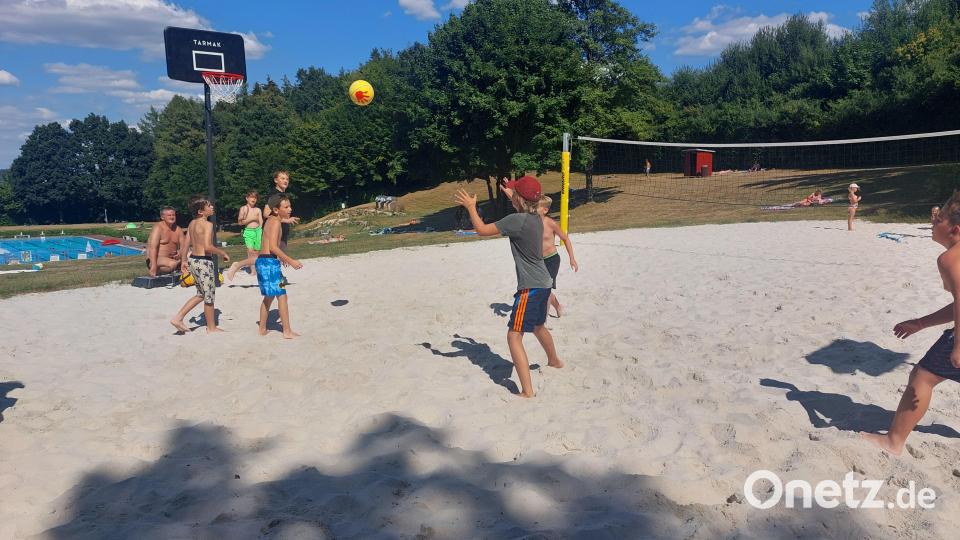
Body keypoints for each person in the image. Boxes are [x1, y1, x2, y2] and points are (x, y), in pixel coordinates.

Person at [862, 193, 960, 455]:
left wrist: (958, 345)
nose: (932, 222)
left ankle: (893, 442)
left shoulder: (950, 259)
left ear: (954, 228)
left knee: (923, 377)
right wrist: (920, 323)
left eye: (938, 219)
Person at [455, 175, 563, 398]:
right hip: (544, 284)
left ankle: (527, 391)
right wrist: (513, 194)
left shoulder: (515, 221)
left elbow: (482, 230)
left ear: (518, 199)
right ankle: (554, 361)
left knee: (514, 336)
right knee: (538, 326)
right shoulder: (536, 217)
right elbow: (524, 201)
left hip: (530, 287)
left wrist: (471, 208)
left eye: (514, 193)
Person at [170, 196, 230, 334]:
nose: (212, 207)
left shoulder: (191, 223)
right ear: (201, 212)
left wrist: (184, 261)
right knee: (208, 295)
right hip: (204, 262)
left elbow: (185, 245)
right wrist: (222, 252)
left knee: (201, 294)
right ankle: (211, 327)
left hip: (193, 261)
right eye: (209, 206)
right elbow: (208, 247)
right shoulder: (208, 225)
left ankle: (178, 318)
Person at [257, 193, 303, 339]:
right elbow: (273, 247)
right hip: (269, 263)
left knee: (269, 297)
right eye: (286, 207)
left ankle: (262, 328)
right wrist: (291, 260)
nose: (290, 209)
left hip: (266, 262)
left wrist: (280, 258)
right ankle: (287, 331)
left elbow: (273, 246)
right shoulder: (275, 222)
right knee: (282, 296)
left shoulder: (272, 220)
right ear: (276, 210)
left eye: (290, 206)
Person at [538, 195, 578, 317]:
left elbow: (565, 239)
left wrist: (572, 258)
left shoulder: (551, 223)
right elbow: (520, 204)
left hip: (551, 260)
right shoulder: (532, 222)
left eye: (536, 207)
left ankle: (543, 321)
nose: (532, 209)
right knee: (542, 290)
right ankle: (558, 306)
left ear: (545, 210)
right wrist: (509, 188)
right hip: (538, 261)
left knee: (545, 290)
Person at [226, 190, 263, 281]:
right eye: (251, 197)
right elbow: (240, 222)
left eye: (255, 197)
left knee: (257, 251)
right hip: (249, 231)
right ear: (247, 198)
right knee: (250, 251)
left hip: (258, 231)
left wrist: (261, 229)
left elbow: (261, 221)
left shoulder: (258, 209)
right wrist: (251, 219)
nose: (253, 199)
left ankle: (255, 269)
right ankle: (252, 270)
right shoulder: (244, 208)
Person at [263, 171, 300, 250]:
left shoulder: (283, 194)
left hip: (282, 231)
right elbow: (266, 214)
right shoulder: (274, 194)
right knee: (276, 257)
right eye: (282, 178)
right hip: (275, 231)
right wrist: (287, 220)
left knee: (280, 257)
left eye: (287, 179)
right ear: (276, 180)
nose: (285, 181)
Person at [145, 207, 184, 277]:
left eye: (173, 215)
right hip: (156, 258)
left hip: (172, 259)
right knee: (173, 264)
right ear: (162, 217)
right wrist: (153, 266)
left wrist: (180, 252)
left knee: (191, 255)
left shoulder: (178, 229)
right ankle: (157, 270)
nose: (172, 217)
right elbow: (153, 248)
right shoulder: (158, 228)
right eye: (169, 215)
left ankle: (177, 266)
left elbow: (184, 246)